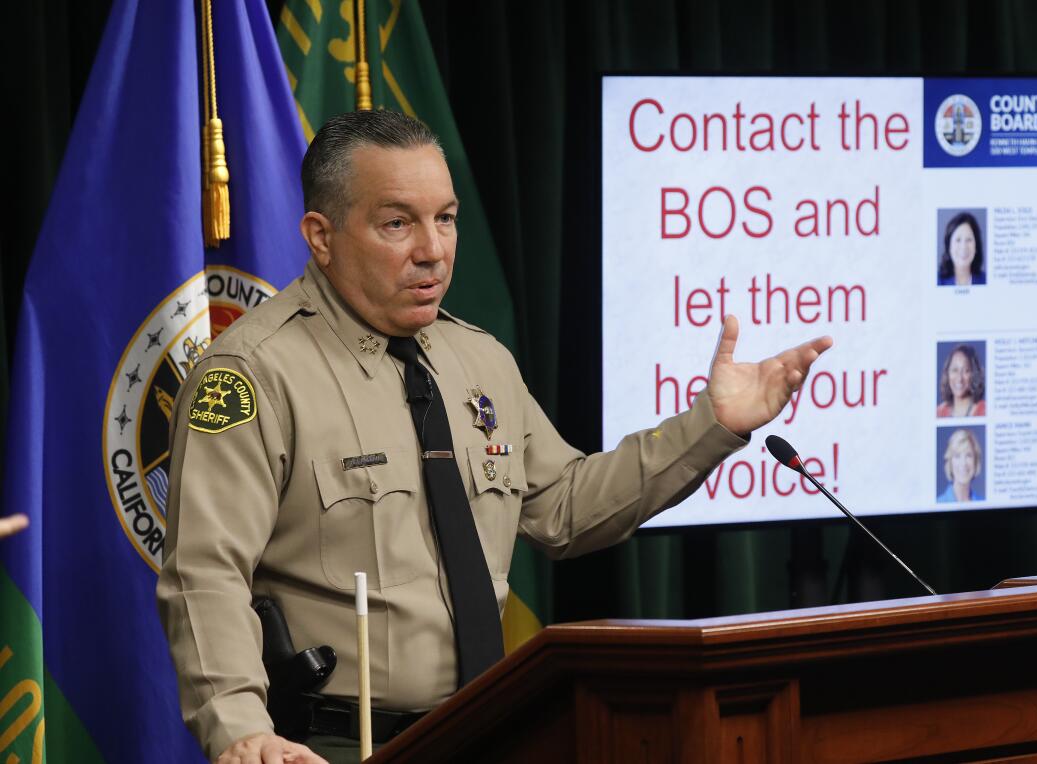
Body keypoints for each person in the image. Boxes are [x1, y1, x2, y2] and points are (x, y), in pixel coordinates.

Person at [156, 110, 833, 764]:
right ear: (321, 235)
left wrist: (713, 425)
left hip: (494, 732)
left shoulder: (477, 361)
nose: (432, 251)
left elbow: (567, 506)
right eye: (397, 223)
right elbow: (207, 572)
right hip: (339, 746)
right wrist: (240, 730)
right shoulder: (253, 373)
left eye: (445, 220)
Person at [936, 212, 985, 286]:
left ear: (976, 246)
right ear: (949, 246)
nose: (963, 247)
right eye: (958, 240)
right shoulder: (937, 281)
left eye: (969, 240)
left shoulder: (985, 280)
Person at [936, 344, 985, 417]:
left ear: (973, 374)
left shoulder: (985, 410)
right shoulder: (939, 412)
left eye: (966, 371)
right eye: (955, 370)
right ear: (947, 373)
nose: (959, 378)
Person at [937, 428, 983, 503]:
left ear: (975, 461)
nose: (963, 463)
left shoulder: (982, 502)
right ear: (950, 462)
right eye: (957, 456)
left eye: (968, 455)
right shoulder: (939, 503)